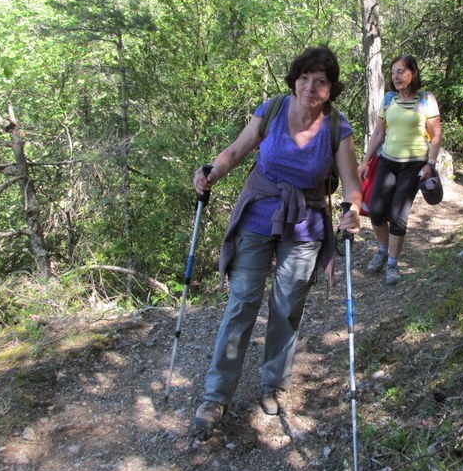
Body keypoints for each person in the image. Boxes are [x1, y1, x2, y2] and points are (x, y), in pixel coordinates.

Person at [189, 46, 362, 441]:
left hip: (305, 224)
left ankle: (273, 384)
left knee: (286, 306)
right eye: (304, 78)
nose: (311, 87)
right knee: (242, 301)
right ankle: (216, 396)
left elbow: (351, 183)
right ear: (294, 80)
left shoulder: (338, 127)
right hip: (258, 213)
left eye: (321, 81)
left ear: (331, 89)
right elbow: (236, 150)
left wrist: (353, 209)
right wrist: (212, 172)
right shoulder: (272, 109)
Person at [358, 54, 442, 285]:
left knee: (398, 216)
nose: (396, 76)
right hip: (387, 161)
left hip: (414, 165)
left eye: (401, 71)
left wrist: (430, 164)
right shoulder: (388, 100)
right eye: (393, 71)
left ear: (412, 73)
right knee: (375, 211)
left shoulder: (426, 99)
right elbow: (378, 133)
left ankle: (393, 264)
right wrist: (365, 161)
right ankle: (383, 249)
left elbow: (435, 136)